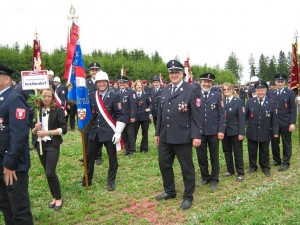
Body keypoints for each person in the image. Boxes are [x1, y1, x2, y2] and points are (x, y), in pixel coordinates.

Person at [154, 59, 202, 210]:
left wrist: (196, 136)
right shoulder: (165, 90)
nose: (174, 75)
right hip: (166, 135)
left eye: (177, 72)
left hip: (183, 136)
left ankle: (188, 196)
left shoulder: (191, 90)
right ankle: (170, 191)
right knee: (164, 164)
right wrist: (157, 132)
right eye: (171, 72)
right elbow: (161, 114)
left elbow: (196, 115)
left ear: (182, 73)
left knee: (186, 167)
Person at [0, 63, 34, 224]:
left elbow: (19, 135)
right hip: (1, 163)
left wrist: (10, 163)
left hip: (13, 165)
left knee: (19, 210)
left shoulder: (15, 99)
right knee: (5, 206)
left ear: (6, 79)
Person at [82, 71, 125, 190]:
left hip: (109, 131)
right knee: (89, 156)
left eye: (103, 82)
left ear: (107, 82)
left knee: (112, 158)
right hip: (95, 131)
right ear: (96, 83)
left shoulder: (115, 95)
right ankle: (87, 179)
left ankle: (111, 181)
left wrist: (118, 132)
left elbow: (120, 114)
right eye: (99, 82)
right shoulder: (92, 95)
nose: (101, 84)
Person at [32, 87, 67, 210]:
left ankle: (58, 198)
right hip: (40, 145)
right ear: (40, 97)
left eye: (49, 96)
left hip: (52, 144)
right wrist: (36, 128)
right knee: (47, 172)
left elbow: (64, 129)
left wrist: (47, 132)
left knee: (50, 172)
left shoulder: (58, 111)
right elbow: (32, 131)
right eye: (44, 96)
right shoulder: (37, 110)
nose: (46, 98)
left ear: (52, 97)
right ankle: (54, 197)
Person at [196, 73, 225, 190]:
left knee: (214, 156)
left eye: (209, 82)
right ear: (200, 82)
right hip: (199, 132)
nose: (206, 84)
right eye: (204, 81)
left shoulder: (217, 95)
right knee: (201, 157)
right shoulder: (196, 95)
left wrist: (221, 130)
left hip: (213, 131)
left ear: (212, 84)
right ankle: (205, 177)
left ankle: (214, 179)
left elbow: (222, 114)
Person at [245, 80, 279, 177]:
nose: (260, 92)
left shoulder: (271, 102)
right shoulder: (250, 101)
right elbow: (245, 116)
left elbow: (274, 119)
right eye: (258, 90)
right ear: (255, 91)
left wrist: (275, 131)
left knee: (264, 150)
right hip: (252, 130)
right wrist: (242, 129)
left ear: (266, 91)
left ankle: (265, 166)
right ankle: (253, 166)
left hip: (266, 130)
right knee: (252, 149)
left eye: (262, 90)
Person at [268, 74, 296, 171]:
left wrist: (292, 123)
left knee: (286, 142)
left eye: (281, 81)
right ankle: (277, 160)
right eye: (278, 81)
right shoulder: (271, 93)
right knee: (274, 142)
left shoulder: (290, 93)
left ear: (285, 82)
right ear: (275, 82)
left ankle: (285, 162)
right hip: (274, 123)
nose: (279, 83)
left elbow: (293, 109)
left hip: (285, 122)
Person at [221, 82, 245, 182]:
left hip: (235, 131)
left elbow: (242, 118)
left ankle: (240, 172)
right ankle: (230, 170)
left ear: (232, 90)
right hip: (224, 131)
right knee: (227, 151)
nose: (226, 91)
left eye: (228, 89)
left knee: (237, 152)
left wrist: (241, 132)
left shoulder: (238, 101)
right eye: (224, 89)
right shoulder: (221, 101)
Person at [83, 62, 103, 165]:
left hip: (100, 112)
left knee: (98, 135)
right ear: (89, 71)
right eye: (92, 70)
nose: (94, 71)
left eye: (96, 70)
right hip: (88, 112)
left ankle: (98, 156)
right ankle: (87, 155)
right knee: (87, 134)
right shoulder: (86, 82)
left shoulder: (102, 82)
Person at [118, 75, 137, 156]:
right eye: (120, 82)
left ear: (126, 83)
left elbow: (133, 105)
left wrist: (132, 116)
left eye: (123, 83)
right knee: (123, 134)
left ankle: (132, 150)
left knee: (130, 134)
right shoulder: (116, 92)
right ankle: (127, 149)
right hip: (120, 118)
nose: (122, 84)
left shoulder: (131, 92)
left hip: (128, 117)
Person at [133, 80, 152, 152]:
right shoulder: (132, 94)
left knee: (145, 133)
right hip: (135, 117)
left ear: (142, 86)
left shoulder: (146, 94)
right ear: (135, 86)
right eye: (137, 85)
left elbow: (151, 104)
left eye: (140, 85)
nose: (139, 86)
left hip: (144, 116)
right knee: (134, 133)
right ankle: (132, 148)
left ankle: (144, 148)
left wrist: (149, 109)